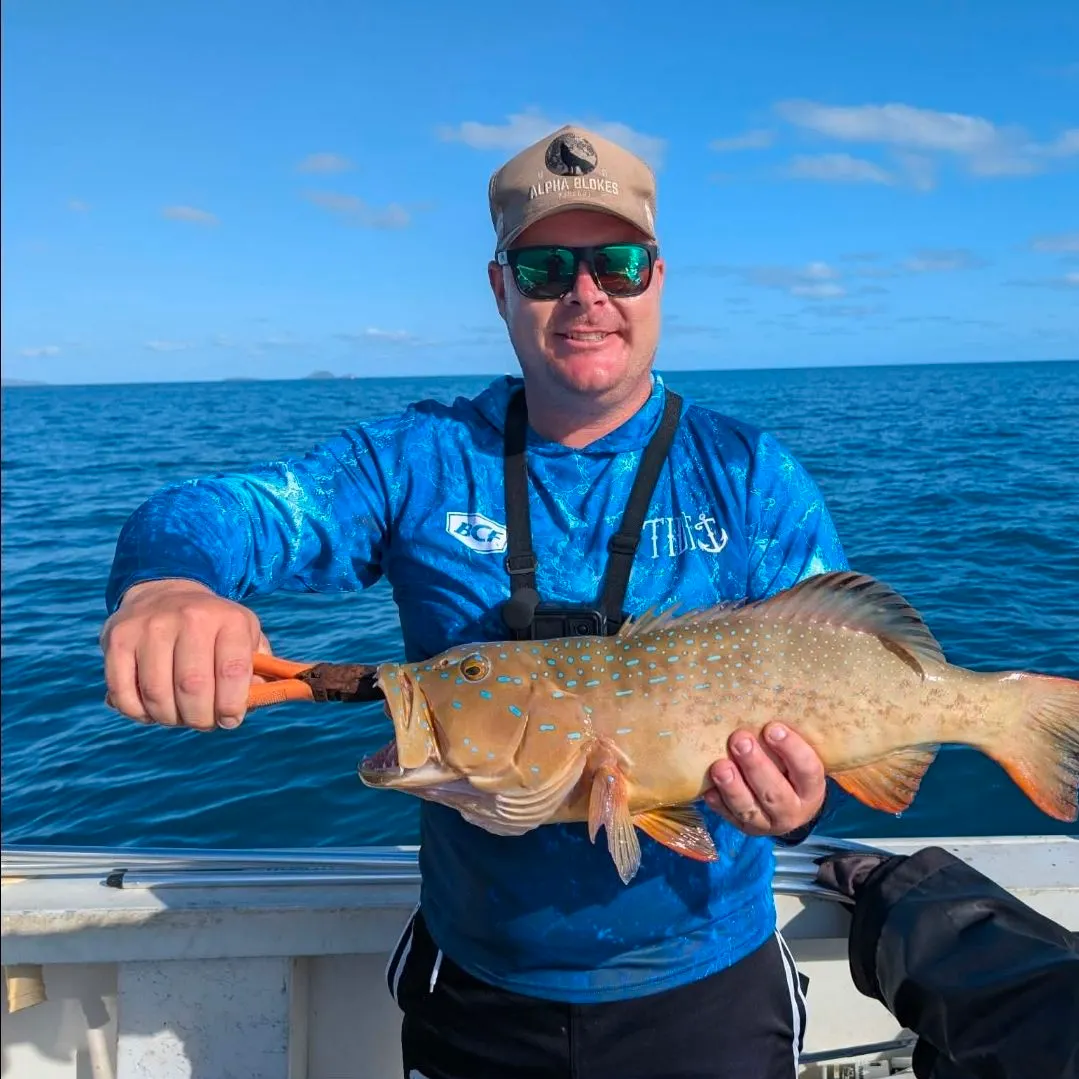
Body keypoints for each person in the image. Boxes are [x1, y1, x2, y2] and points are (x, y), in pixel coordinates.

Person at [101, 125, 849, 1078]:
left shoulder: (750, 476)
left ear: (657, 279)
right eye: (544, 268)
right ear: (499, 288)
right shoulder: (416, 460)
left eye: (617, 264)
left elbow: (835, 670)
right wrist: (168, 583)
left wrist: (797, 805)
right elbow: (230, 513)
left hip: (710, 982)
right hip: (481, 985)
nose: (586, 295)